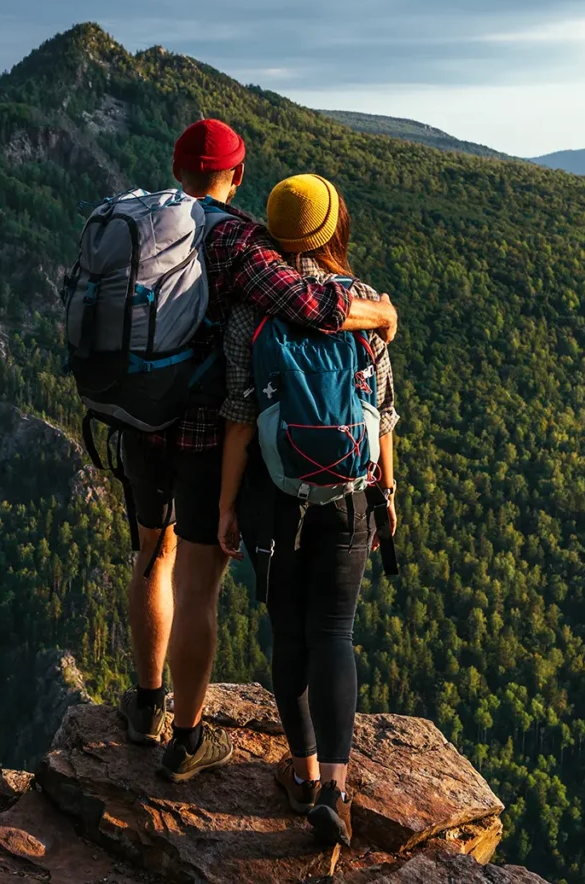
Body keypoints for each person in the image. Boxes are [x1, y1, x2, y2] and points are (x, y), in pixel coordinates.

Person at [117, 121, 399, 784]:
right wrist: (379, 314)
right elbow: (305, 303)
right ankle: (185, 740)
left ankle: (145, 700)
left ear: (176, 167)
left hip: (135, 419)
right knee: (196, 588)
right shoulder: (237, 237)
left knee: (147, 557)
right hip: (201, 433)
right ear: (237, 176)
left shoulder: (141, 220)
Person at [217, 174, 399, 845]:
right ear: (331, 231)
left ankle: (300, 776)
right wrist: (387, 493)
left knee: (288, 634)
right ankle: (338, 792)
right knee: (334, 634)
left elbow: (239, 415)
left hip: (274, 495)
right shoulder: (364, 304)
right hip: (350, 496)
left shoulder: (248, 311)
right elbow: (381, 413)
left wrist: (228, 506)